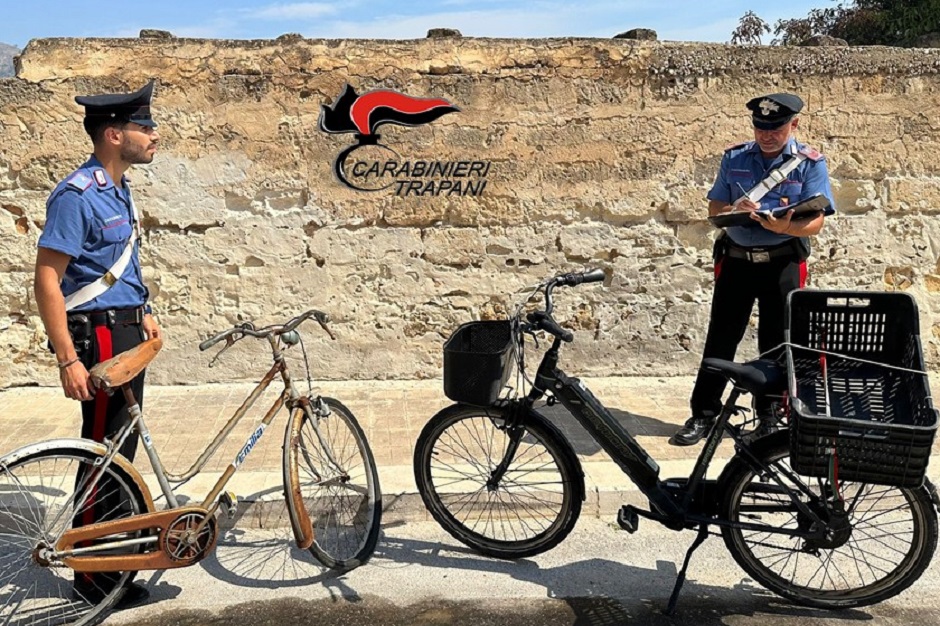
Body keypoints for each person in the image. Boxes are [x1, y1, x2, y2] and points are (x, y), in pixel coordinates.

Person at [33, 80, 161, 606]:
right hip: (100, 334)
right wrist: (67, 357)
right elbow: (47, 278)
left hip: (127, 327)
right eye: (144, 127)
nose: (154, 134)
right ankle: (92, 579)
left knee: (121, 451)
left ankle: (113, 562)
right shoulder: (76, 195)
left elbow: (118, 263)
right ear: (114, 134)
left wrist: (145, 308)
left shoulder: (119, 187)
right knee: (104, 452)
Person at [672, 93, 835, 446]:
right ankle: (703, 413)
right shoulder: (734, 158)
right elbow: (715, 207)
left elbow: (817, 221)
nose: (767, 135)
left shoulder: (809, 163)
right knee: (721, 336)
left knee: (777, 342)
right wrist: (734, 207)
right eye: (761, 128)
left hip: (782, 261)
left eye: (775, 128)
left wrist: (785, 228)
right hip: (737, 260)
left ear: (793, 125)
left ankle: (769, 416)